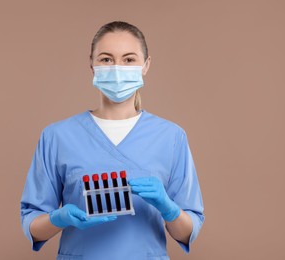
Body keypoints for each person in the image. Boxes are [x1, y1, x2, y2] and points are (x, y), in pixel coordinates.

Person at [20, 21, 204, 260]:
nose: (117, 68)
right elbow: (32, 224)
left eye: (129, 60)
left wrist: (167, 208)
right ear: (92, 66)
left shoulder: (171, 137)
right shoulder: (57, 137)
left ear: (146, 65)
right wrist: (59, 218)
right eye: (106, 59)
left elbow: (187, 232)